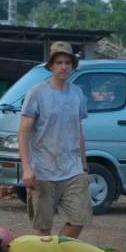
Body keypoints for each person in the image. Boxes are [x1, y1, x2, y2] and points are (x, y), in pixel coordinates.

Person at [19, 41, 92, 239]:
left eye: (67, 63)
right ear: (51, 65)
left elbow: (79, 132)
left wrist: (84, 168)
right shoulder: (37, 93)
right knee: (43, 228)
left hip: (72, 170)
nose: (63, 67)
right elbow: (23, 132)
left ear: (72, 66)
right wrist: (27, 168)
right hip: (43, 171)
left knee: (80, 218)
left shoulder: (76, 93)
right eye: (59, 62)